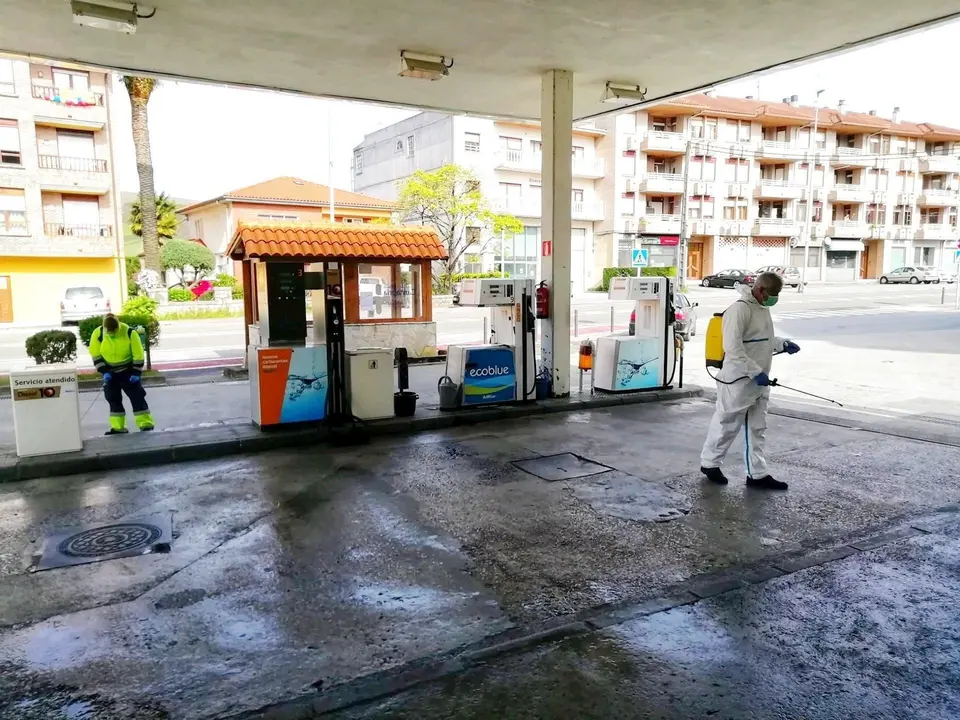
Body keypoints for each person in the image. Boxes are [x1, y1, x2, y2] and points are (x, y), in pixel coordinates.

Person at [700, 272, 799, 490]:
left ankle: (757, 474)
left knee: (757, 428)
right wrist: (755, 371)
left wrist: (782, 344)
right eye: (773, 294)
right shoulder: (740, 309)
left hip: (758, 381)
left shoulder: (762, 308)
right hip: (737, 380)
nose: (774, 299)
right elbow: (733, 348)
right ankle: (710, 464)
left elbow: (762, 338)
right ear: (761, 289)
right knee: (726, 424)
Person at [89, 314, 155, 434]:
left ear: (118, 326)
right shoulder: (98, 334)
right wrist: (104, 371)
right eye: (109, 331)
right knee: (113, 399)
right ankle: (118, 427)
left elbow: (138, 354)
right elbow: (96, 354)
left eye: (113, 330)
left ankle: (146, 424)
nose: (111, 332)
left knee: (137, 398)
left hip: (128, 371)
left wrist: (136, 372)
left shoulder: (129, 333)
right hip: (109, 372)